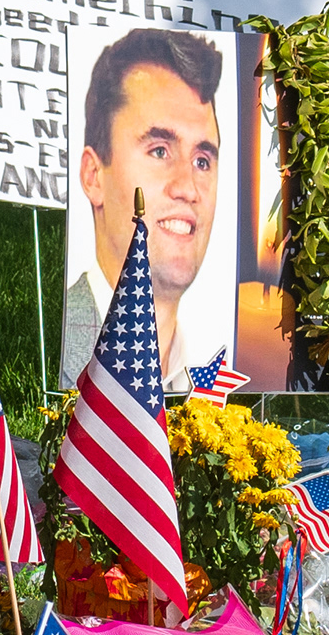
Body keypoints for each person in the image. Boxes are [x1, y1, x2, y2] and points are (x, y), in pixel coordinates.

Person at [61, 27, 227, 385]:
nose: (188, 188)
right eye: (159, 151)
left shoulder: (214, 375)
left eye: (202, 160)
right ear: (93, 175)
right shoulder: (61, 353)